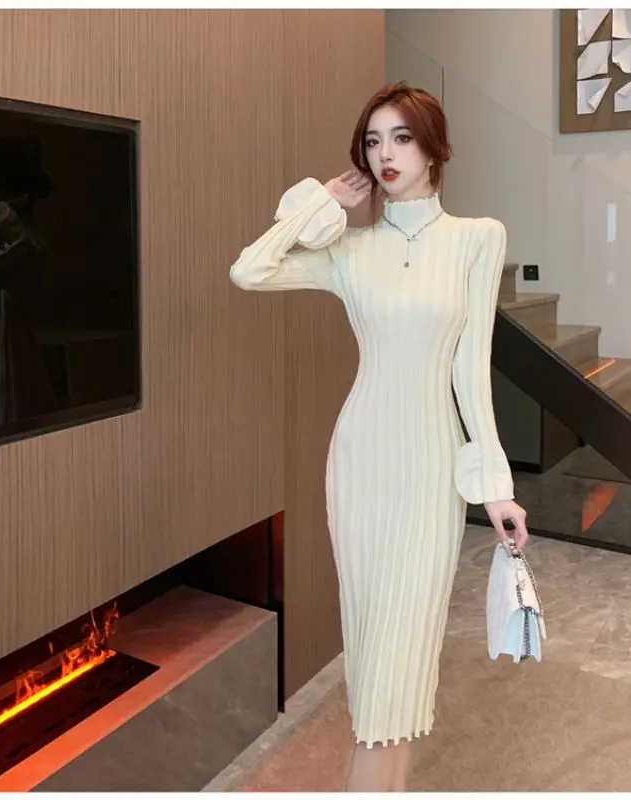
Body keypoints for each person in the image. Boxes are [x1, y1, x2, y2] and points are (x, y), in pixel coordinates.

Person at [230, 81, 529, 792]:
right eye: (372, 140)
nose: (385, 154)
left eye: (401, 137)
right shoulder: (350, 250)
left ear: (435, 148)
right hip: (360, 461)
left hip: (429, 467)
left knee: (405, 647)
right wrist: (322, 203)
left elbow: (471, 375)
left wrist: (495, 490)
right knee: (371, 650)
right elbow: (249, 270)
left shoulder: (477, 238)